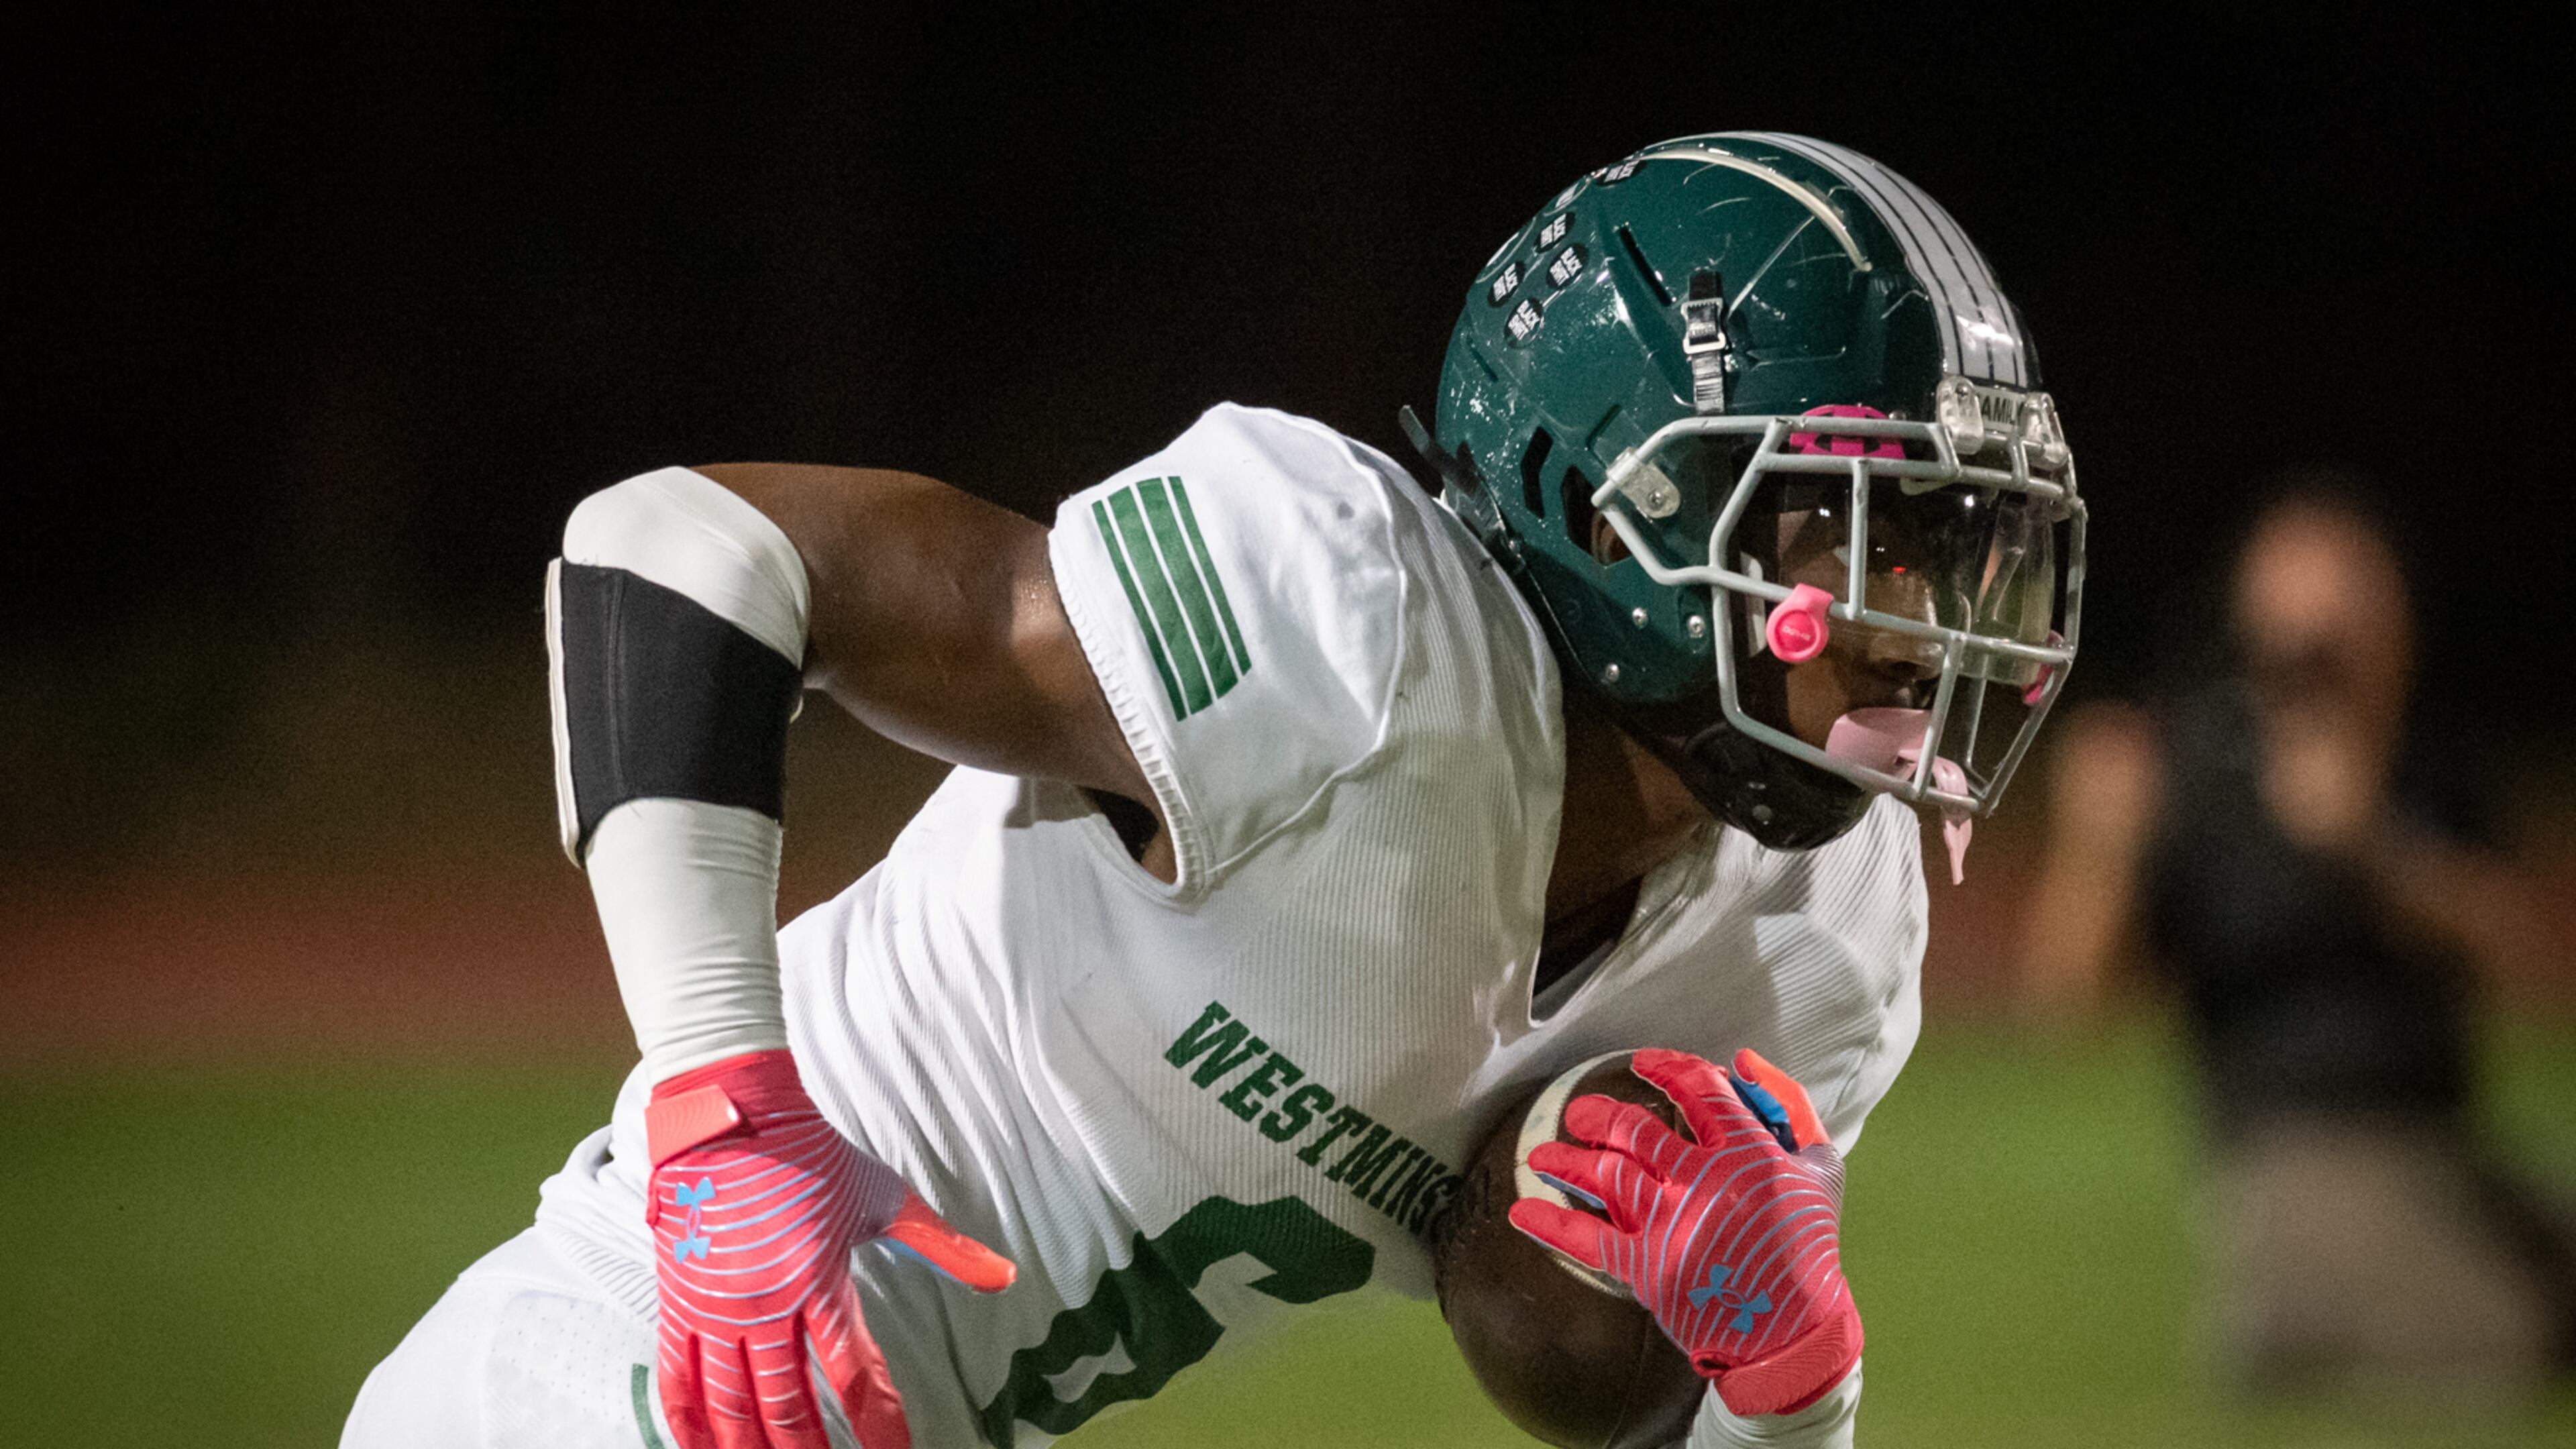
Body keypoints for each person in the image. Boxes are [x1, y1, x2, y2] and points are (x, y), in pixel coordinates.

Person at [341, 132, 2083, 1449]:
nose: (1924, 624)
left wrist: (1792, 1386)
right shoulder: (1351, 623)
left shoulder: (1823, 937)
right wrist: (721, 1103)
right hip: (634, 1370)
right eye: (1862, 534)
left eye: (1953, 545)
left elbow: (1565, 1351)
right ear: (1614, 500)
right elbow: (669, 552)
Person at [2019, 481, 2576, 1397]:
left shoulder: (2427, 766)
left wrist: (2376, 848)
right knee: (2507, 1341)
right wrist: (2098, 851)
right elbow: (2061, 1009)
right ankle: (2283, 1316)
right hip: (2303, 1165)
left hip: (2451, 1150)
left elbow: (2529, 964)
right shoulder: (2205, 775)